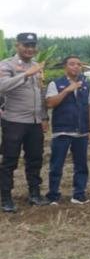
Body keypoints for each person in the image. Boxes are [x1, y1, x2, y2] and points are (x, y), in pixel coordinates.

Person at [0, 32, 48, 212]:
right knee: (10, 160)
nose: (30, 49)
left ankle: (34, 194)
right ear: (17, 46)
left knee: (35, 159)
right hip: (14, 121)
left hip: (34, 122)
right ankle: (5, 198)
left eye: (32, 46)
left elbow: (40, 92)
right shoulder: (6, 64)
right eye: (26, 45)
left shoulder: (37, 66)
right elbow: (2, 86)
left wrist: (44, 117)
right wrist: (26, 74)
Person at [44, 55, 90, 204]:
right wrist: (67, 90)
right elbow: (50, 103)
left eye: (79, 64)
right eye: (72, 64)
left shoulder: (85, 85)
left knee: (81, 165)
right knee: (56, 165)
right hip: (63, 130)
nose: (76, 67)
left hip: (82, 131)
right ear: (65, 66)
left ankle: (79, 194)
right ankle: (53, 195)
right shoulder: (56, 83)